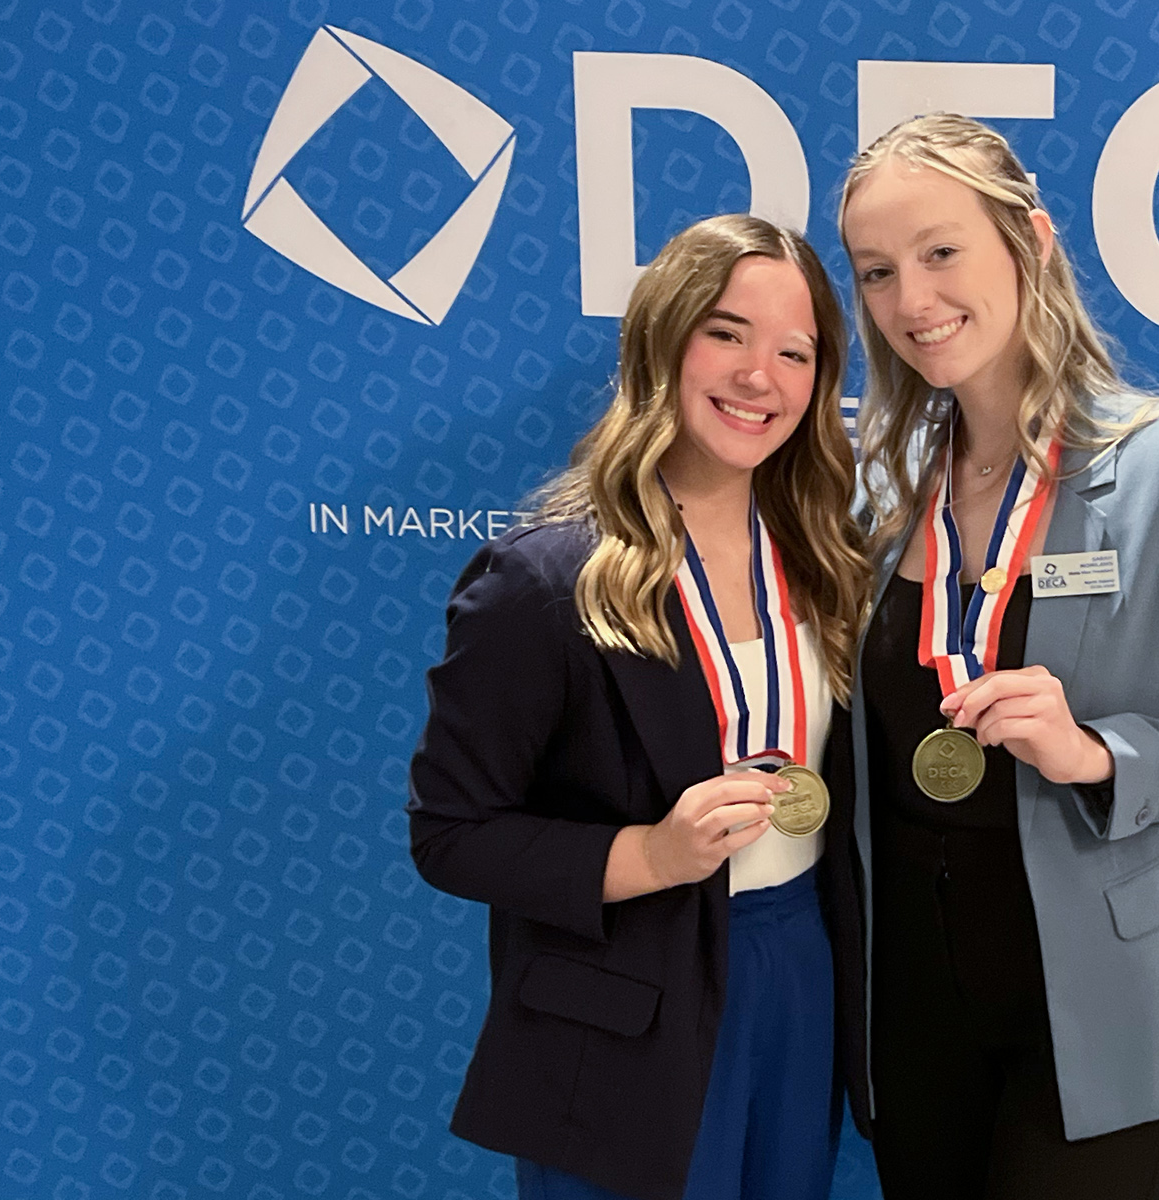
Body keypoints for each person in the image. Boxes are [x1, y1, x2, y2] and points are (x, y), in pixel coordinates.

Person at [836, 113, 1159, 1200]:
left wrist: (1097, 752)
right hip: (910, 992)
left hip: (1099, 982)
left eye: (942, 252)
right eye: (877, 271)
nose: (912, 301)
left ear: (1030, 241)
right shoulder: (880, 481)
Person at [406, 214, 869, 1200]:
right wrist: (651, 856)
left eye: (796, 351)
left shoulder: (829, 562)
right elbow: (451, 835)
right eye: (728, 332)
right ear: (663, 337)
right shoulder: (543, 581)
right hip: (627, 1000)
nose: (760, 376)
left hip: (800, 972)